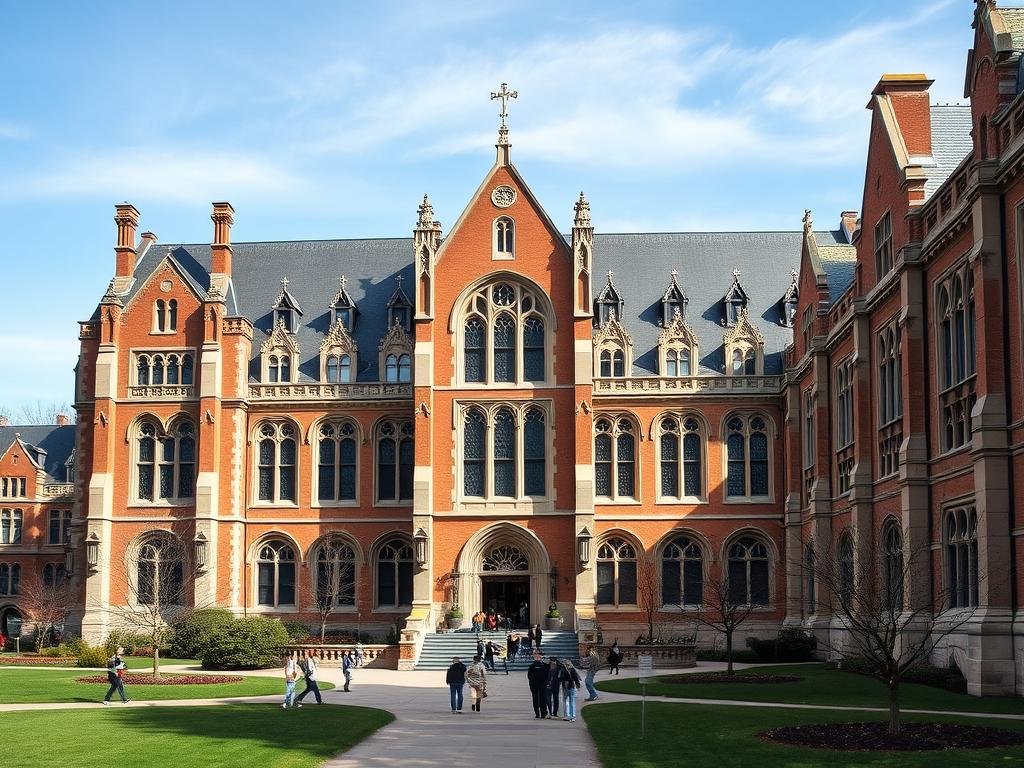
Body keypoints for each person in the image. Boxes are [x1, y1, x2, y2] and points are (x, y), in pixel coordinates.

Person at [526, 651, 549, 718]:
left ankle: (540, 713)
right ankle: (541, 713)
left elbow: (529, 676)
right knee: (541, 699)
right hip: (539, 685)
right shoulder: (541, 666)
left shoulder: (533, 666)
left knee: (540, 699)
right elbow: (529, 676)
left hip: (538, 685)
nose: (538, 657)